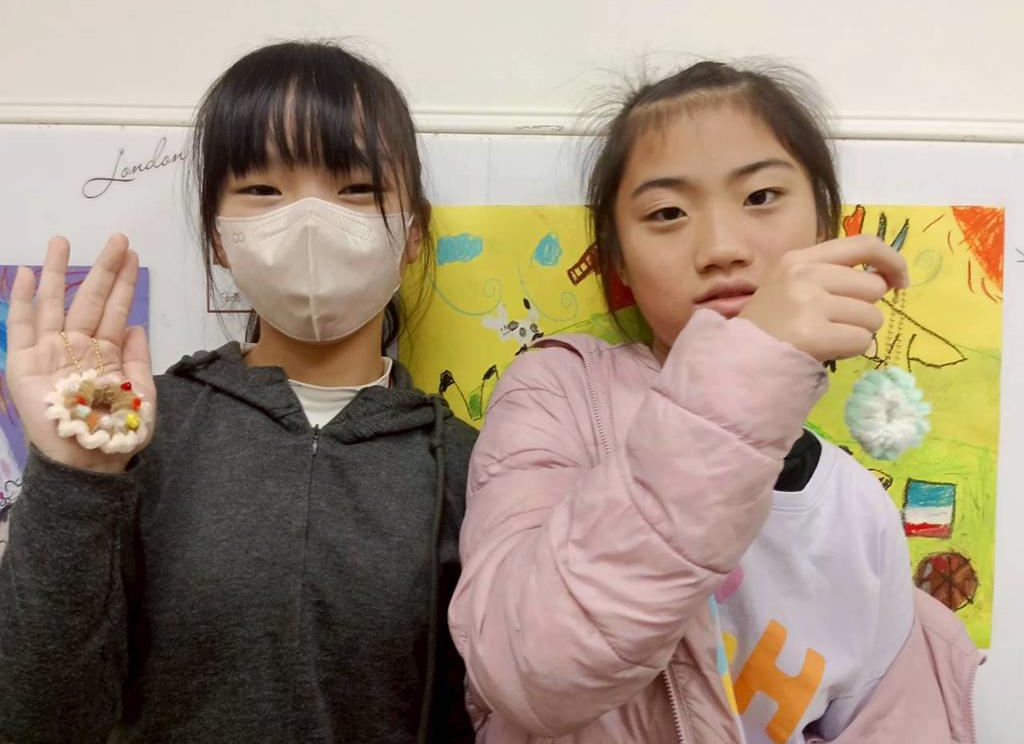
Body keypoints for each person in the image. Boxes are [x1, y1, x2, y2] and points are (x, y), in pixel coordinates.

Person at [450, 61, 981, 743]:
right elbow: (527, 670)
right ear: (618, 259)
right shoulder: (558, 394)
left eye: (761, 196)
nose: (722, 249)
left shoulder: (858, 508)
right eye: (667, 213)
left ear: (825, 226)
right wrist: (750, 362)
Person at [0, 40, 475, 744]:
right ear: (219, 238)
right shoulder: (132, 428)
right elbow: (36, 720)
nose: (310, 220)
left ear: (412, 235)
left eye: (356, 188)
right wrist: (76, 477)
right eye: (262, 190)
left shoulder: (469, 466)